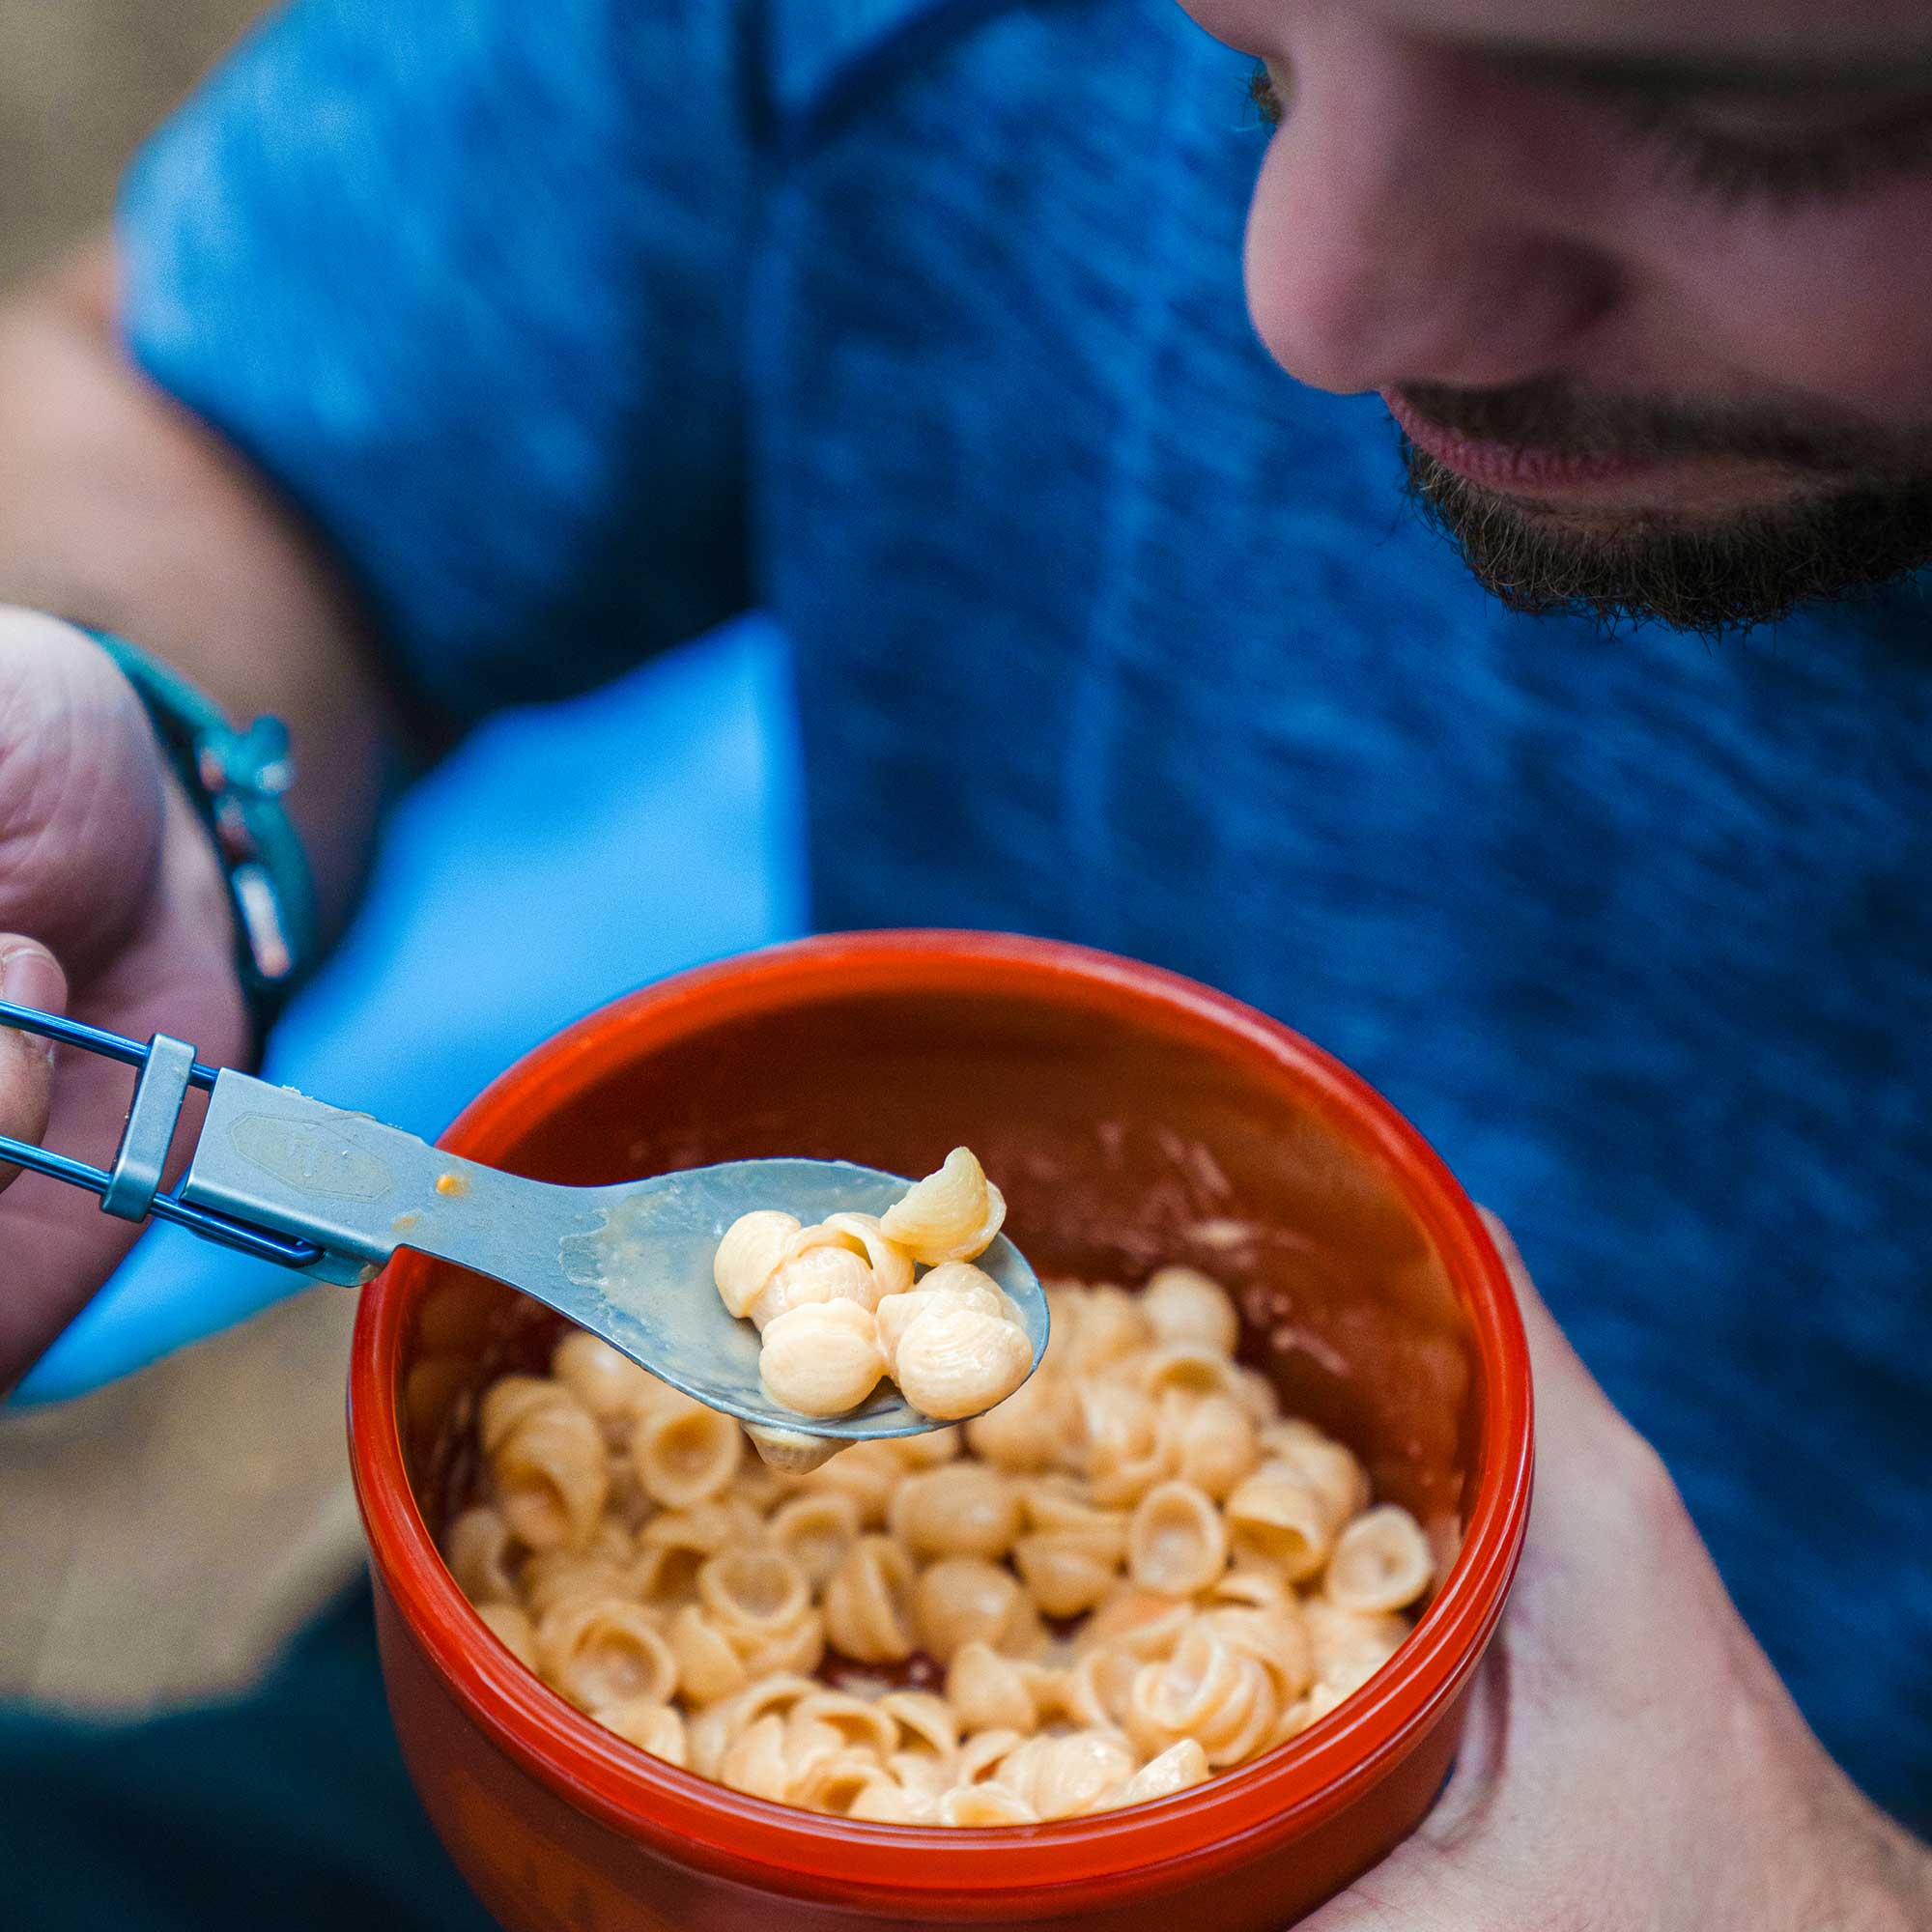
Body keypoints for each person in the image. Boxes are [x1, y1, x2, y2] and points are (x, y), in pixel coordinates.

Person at [0, 0, 1927, 1922]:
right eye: (1251, 43)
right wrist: (148, 788)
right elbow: (216, 431)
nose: (1310, 304)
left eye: (1731, 132)